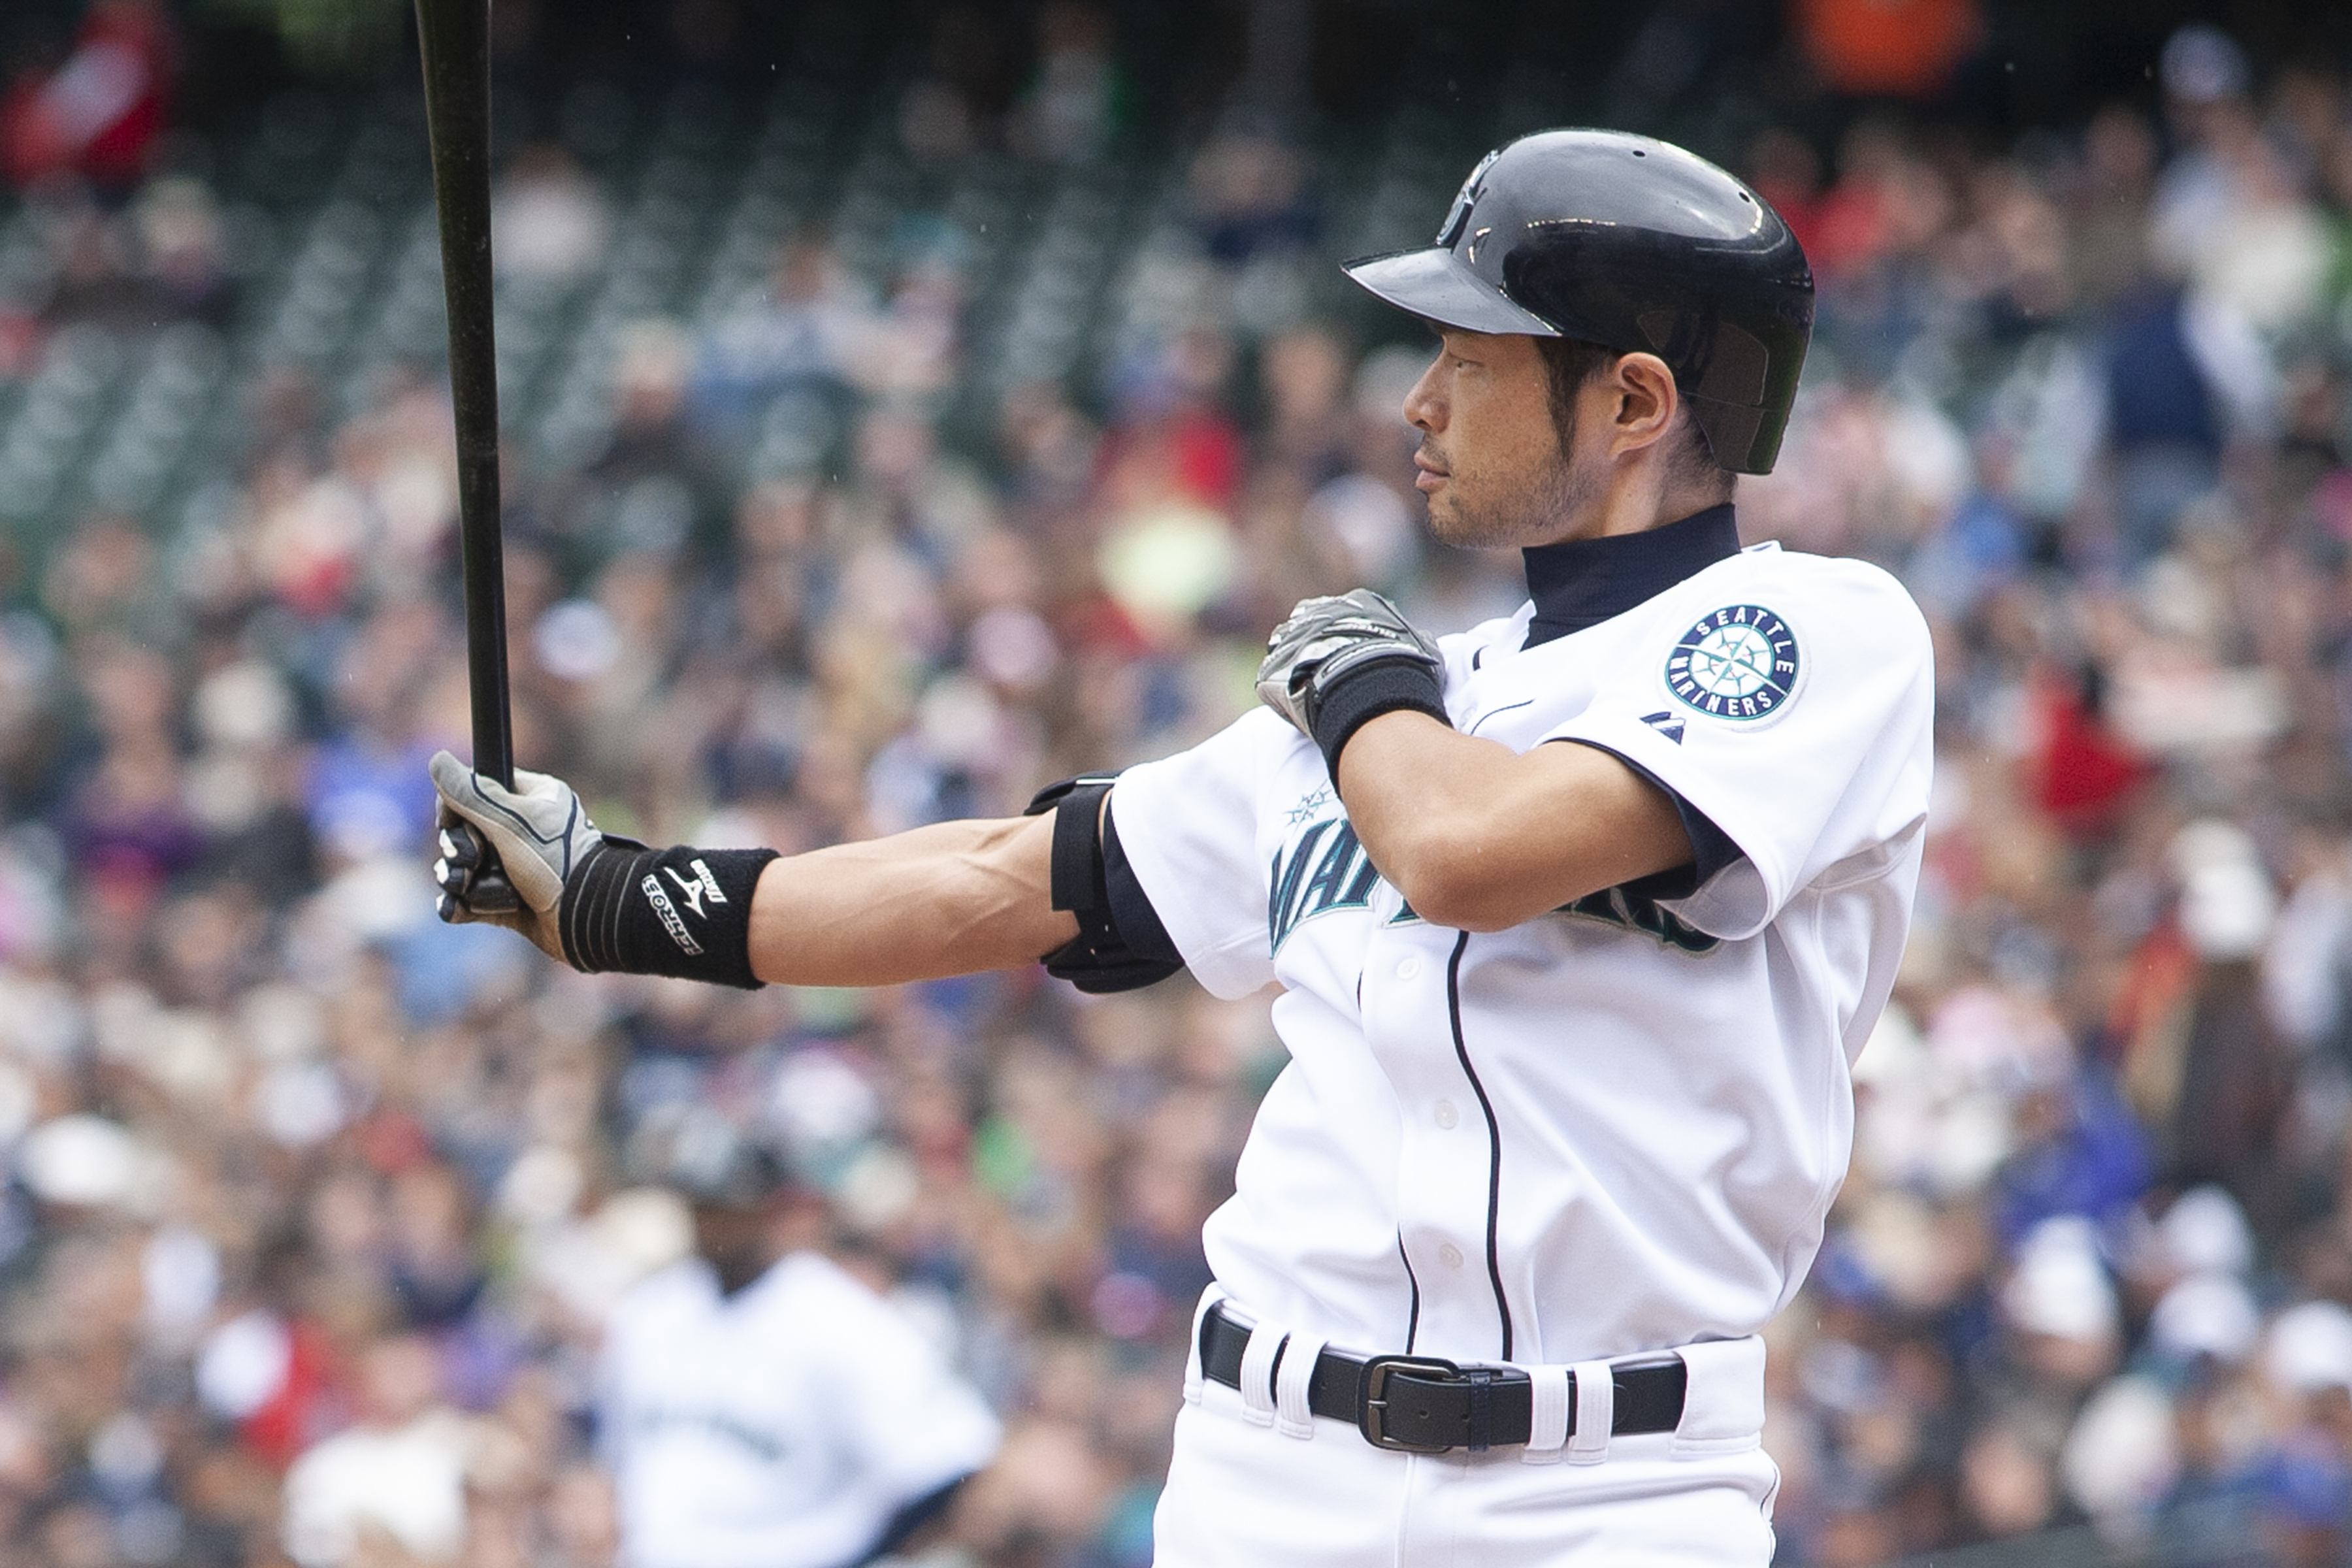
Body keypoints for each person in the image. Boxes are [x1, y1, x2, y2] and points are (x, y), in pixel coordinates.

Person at [432, 129, 1933, 1566]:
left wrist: (1354, 698)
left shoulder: (1812, 632)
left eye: (1471, 363)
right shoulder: (1417, 694)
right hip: (1268, 1461)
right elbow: (999, 880)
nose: (1418, 404)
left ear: (1632, 403)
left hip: (1614, 1486)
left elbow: (1469, 851)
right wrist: (617, 900)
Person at [596, 1108, 1000, 1568]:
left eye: (729, 1207)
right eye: (702, 1206)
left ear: (767, 1208)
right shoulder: (649, 1312)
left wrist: (859, 1552)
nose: (714, 1225)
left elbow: (952, 1459)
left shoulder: (838, 1319)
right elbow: (615, 1463)